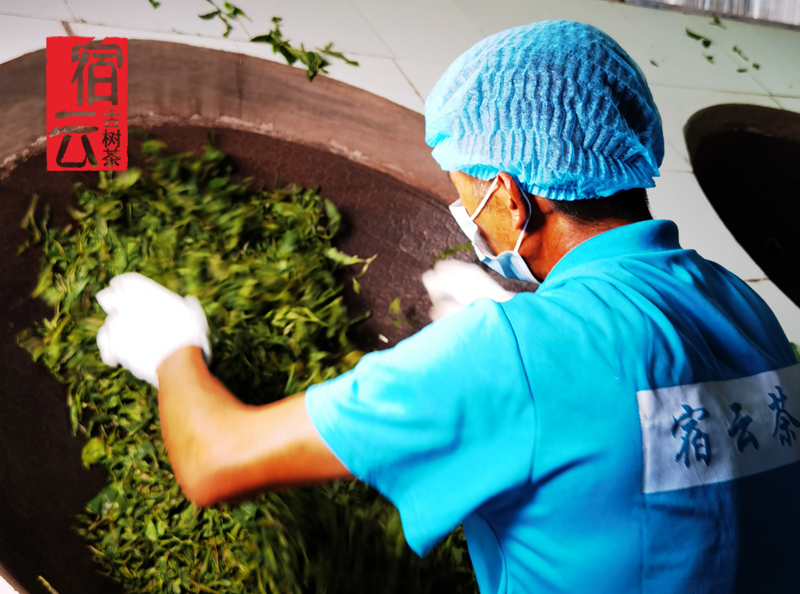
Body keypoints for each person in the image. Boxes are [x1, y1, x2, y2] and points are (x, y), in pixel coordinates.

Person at [95, 20, 800, 594]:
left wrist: (171, 348)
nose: (469, 220)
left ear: (513, 198)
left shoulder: (509, 355)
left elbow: (213, 461)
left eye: (469, 198)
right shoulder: (741, 302)